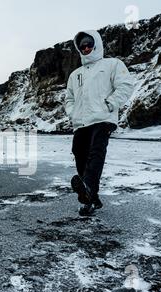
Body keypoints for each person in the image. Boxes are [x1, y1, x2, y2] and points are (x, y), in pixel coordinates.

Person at [64, 30, 134, 216]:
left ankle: (88, 186)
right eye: (82, 46)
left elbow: (126, 85)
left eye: (89, 43)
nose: (86, 48)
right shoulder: (75, 74)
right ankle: (90, 198)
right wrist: (72, 113)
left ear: (97, 44)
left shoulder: (112, 64)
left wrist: (110, 104)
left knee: (96, 151)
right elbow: (69, 99)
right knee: (79, 153)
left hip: (103, 118)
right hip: (81, 122)